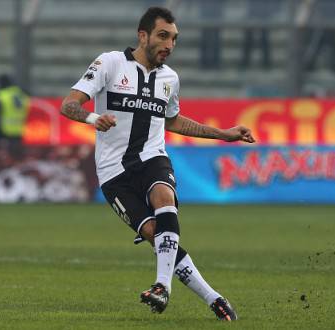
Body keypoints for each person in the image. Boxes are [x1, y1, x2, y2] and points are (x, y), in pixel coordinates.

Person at [60, 7, 255, 321]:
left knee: (164, 199)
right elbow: (68, 105)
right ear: (143, 35)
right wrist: (95, 118)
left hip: (152, 158)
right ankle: (214, 297)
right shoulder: (110, 63)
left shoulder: (170, 79)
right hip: (113, 173)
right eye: (163, 36)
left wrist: (223, 134)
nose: (170, 44)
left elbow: (173, 121)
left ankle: (161, 286)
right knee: (155, 233)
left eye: (174, 39)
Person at [0, 74, 30, 146]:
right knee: (16, 154)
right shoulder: (22, 94)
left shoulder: (1, 95)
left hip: (3, 131)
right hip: (19, 130)